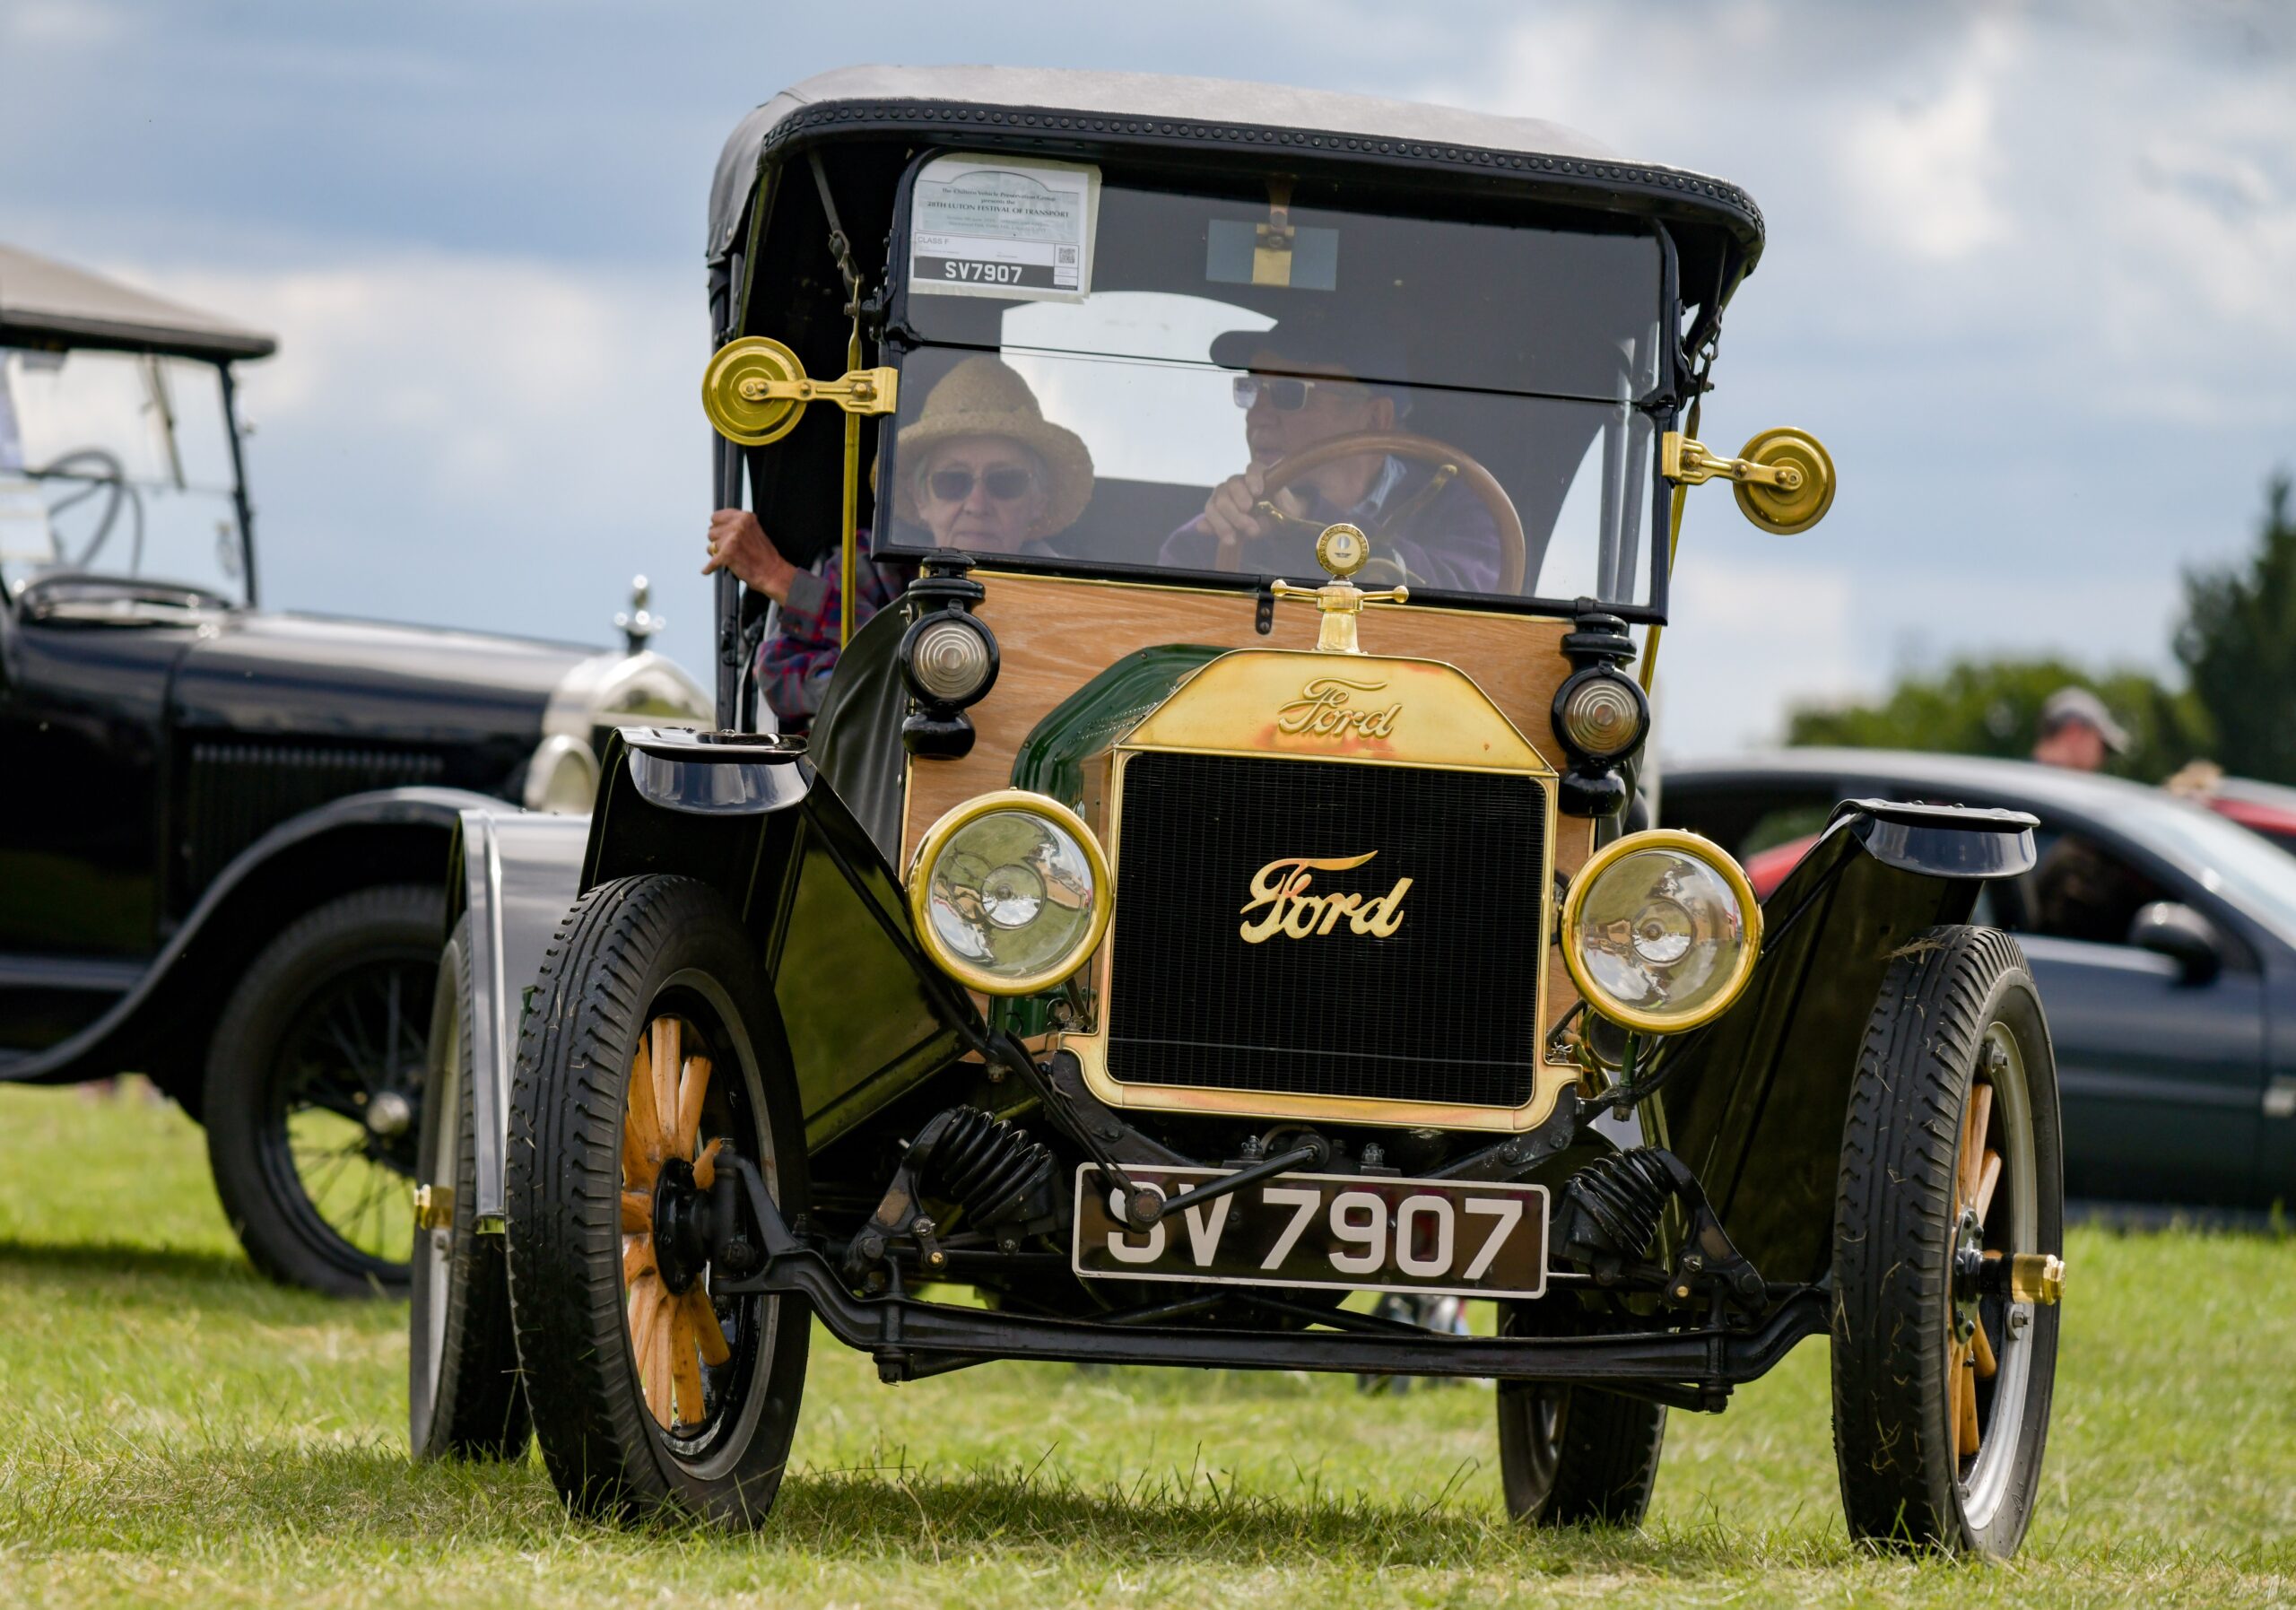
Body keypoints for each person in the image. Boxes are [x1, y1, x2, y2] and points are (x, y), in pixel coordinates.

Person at [703, 356, 1093, 727]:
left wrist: (791, 588)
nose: (977, 504)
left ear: (1038, 502)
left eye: (1005, 482)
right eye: (952, 482)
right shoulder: (870, 563)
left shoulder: (1077, 596)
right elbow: (780, 674)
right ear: (921, 498)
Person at [1161, 311, 1503, 594]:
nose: (1257, 416)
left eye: (1288, 392)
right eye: (1252, 388)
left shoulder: (1454, 508)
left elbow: (1481, 607)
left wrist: (1307, 521)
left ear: (1374, 419)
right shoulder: (1221, 532)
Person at [2031, 686, 2129, 773]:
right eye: (2103, 748)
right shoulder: (2065, 791)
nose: (2101, 760)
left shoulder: (2021, 782)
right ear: (2074, 732)